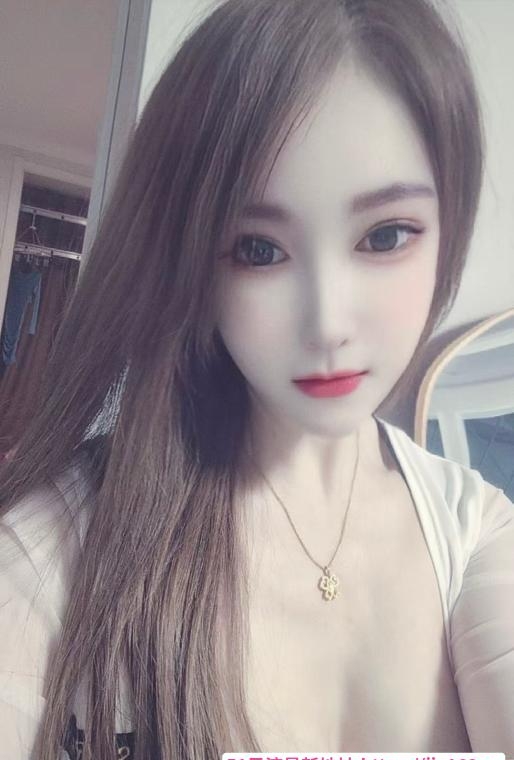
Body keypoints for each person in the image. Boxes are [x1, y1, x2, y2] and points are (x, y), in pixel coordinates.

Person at [0, 0, 513, 757]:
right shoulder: (60, 543)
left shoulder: (474, 531)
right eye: (258, 250)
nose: (328, 323)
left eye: (385, 236)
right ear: (190, 263)